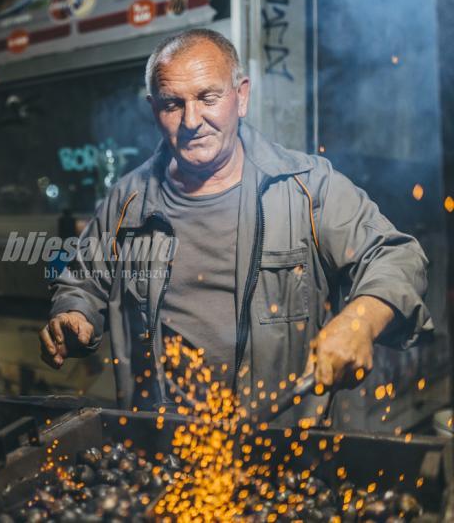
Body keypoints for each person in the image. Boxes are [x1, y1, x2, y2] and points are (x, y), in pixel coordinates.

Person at [38, 28, 432, 422]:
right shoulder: (127, 202)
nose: (192, 120)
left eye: (208, 98)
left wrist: (361, 319)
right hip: (160, 448)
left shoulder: (307, 187)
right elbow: (83, 281)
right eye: (172, 104)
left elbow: (396, 257)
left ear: (241, 96)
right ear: (153, 107)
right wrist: (74, 313)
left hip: (279, 444)